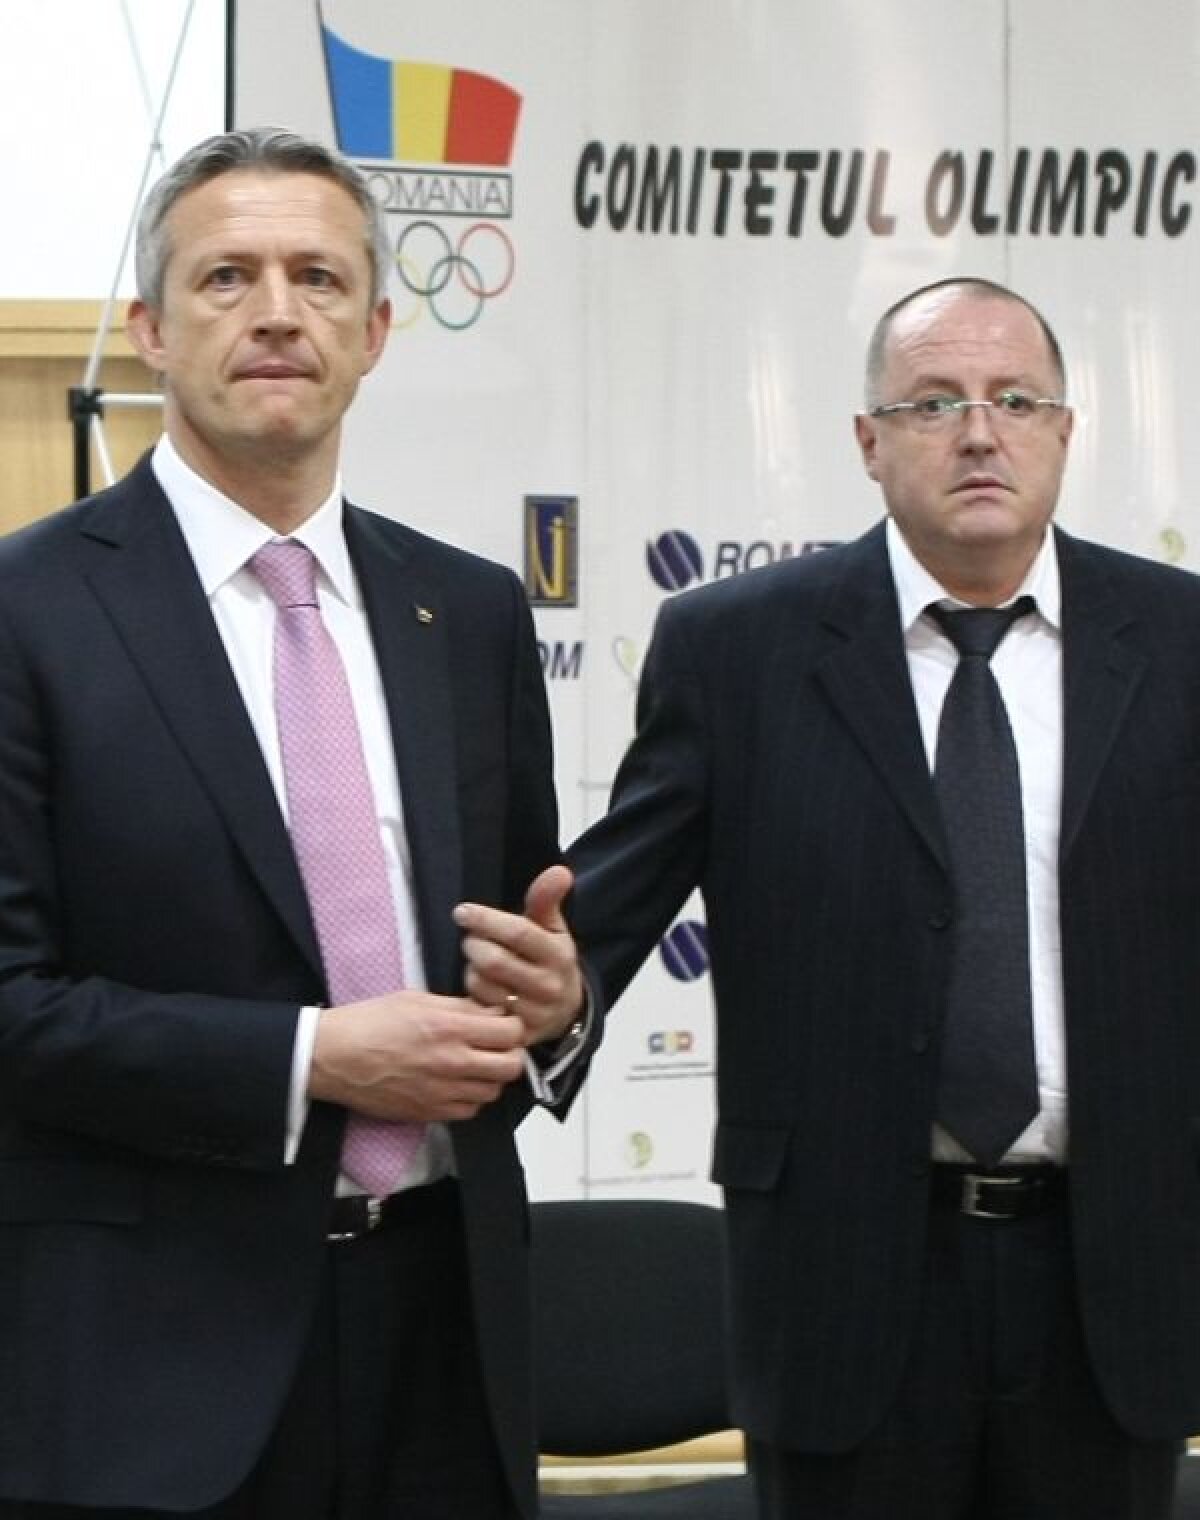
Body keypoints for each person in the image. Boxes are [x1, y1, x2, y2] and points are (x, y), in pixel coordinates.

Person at [463, 276, 1200, 1518]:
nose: (980, 432)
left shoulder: (1178, 639)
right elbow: (608, 914)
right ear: (868, 440)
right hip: (841, 1274)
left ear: (1066, 430)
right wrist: (558, 990)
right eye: (934, 403)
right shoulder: (736, 647)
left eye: (1016, 400)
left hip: (1112, 1273)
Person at [0, 127, 583, 1520]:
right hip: (149, 1373)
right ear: (149, 328)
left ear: (374, 331)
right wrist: (315, 1057)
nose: (276, 312)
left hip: (447, 1337)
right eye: (227, 277)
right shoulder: (27, 612)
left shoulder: (470, 610)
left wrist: (560, 1004)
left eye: (318, 278)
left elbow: (527, 933)